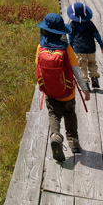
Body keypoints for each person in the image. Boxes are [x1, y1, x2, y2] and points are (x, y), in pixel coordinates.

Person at [35, 12, 90, 161]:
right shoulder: (66, 49)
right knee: (69, 114)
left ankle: (55, 136)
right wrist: (85, 89)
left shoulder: (41, 47)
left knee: (54, 114)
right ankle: (73, 142)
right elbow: (76, 71)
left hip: (50, 92)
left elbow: (38, 68)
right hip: (68, 93)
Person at [66, 2, 103, 90]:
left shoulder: (72, 24)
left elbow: (71, 37)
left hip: (79, 50)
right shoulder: (90, 24)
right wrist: (102, 45)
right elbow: (97, 35)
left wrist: (70, 47)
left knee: (82, 66)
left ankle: (85, 83)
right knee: (92, 63)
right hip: (91, 48)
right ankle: (94, 78)